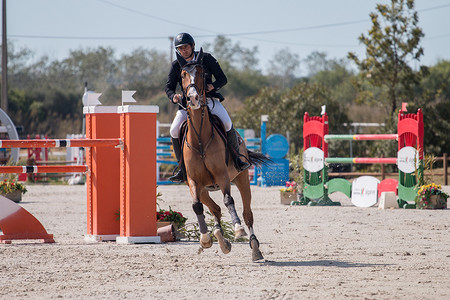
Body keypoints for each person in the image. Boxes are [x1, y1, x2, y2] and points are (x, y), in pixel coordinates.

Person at [165, 32, 250, 182]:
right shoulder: (176, 65)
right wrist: (173, 96)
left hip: (209, 101)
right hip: (188, 106)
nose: (184, 50)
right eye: (181, 48)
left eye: (186, 47)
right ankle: (182, 169)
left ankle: (237, 160)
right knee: (173, 130)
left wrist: (213, 86)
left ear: (192, 46)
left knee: (228, 123)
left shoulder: (206, 58)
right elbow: (169, 88)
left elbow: (223, 79)